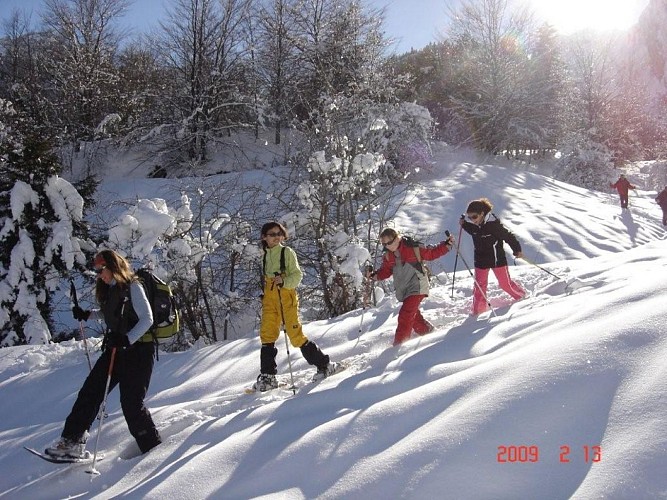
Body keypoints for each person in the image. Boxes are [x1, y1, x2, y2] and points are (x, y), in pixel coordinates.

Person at [45, 250, 161, 458]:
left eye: (101, 270)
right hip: (116, 349)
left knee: (132, 404)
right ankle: (72, 442)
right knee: (90, 392)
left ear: (113, 266)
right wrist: (88, 315)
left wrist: (127, 339)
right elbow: (113, 314)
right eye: (97, 271)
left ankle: (153, 451)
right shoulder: (110, 289)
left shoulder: (133, 286)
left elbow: (147, 319)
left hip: (139, 352)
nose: (99, 275)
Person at [254, 222, 340, 392]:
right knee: (267, 335)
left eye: (279, 233)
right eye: (272, 234)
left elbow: (297, 275)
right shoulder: (264, 255)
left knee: (295, 335)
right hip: (270, 299)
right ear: (264, 237)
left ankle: (325, 364)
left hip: (285, 296)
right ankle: (268, 376)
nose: (277, 236)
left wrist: (284, 281)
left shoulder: (287, 252)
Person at [367, 228, 454, 346]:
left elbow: (431, 252)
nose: (387, 246)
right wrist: (374, 276)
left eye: (389, 242)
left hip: (417, 286)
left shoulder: (413, 247)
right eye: (384, 244)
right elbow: (385, 271)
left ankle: (400, 345)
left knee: (405, 314)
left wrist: (446, 244)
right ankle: (429, 332)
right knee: (413, 316)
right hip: (404, 289)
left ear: (397, 238)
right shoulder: (388, 256)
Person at [459, 198, 526, 315]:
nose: (472, 220)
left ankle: (522, 296)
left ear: (482, 214)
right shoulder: (476, 224)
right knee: (479, 287)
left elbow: (509, 237)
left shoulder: (494, 225)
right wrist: (464, 224)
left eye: (474, 217)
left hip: (497, 260)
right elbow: (473, 230)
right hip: (480, 260)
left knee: (505, 284)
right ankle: (477, 312)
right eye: (469, 217)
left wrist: (517, 250)